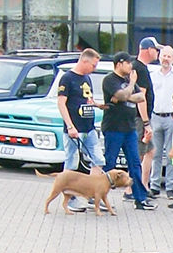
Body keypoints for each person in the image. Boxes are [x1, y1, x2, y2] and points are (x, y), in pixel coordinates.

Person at [100, 52, 155, 210]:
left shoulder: (128, 81)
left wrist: (126, 96)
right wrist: (130, 85)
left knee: (135, 163)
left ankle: (140, 199)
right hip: (114, 128)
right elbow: (122, 94)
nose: (131, 66)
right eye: (128, 63)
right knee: (110, 163)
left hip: (130, 128)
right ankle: (100, 198)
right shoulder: (110, 80)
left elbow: (140, 98)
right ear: (119, 64)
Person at [55, 48, 103, 213]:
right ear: (84, 61)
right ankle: (70, 198)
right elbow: (61, 103)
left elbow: (87, 98)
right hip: (74, 128)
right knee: (72, 162)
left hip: (88, 127)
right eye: (93, 65)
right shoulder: (67, 78)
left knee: (98, 159)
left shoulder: (87, 78)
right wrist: (70, 126)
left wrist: (96, 104)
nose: (94, 69)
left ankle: (92, 195)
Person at [147, 45, 173, 197]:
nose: (166, 59)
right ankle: (155, 186)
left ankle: (171, 187)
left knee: (172, 153)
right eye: (164, 56)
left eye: (169, 56)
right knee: (155, 153)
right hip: (155, 116)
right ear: (159, 57)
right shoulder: (152, 75)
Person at [134, 37, 160, 153]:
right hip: (139, 118)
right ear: (149, 50)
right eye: (156, 50)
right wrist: (146, 123)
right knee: (140, 150)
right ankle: (135, 171)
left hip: (142, 117)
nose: (157, 53)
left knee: (150, 150)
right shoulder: (140, 69)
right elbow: (141, 98)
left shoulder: (139, 66)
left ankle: (144, 172)